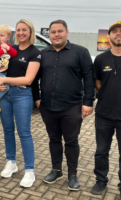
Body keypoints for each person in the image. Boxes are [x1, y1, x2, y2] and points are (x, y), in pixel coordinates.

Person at [34, 20, 95, 191]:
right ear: (49, 35)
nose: (56, 35)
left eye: (60, 31)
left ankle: (73, 174)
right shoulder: (43, 54)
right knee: (54, 140)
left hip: (72, 107)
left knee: (71, 141)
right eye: (53, 32)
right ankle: (56, 170)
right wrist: (37, 99)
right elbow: (33, 78)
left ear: (67, 32)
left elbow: (89, 79)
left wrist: (88, 102)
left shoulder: (80, 52)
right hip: (48, 106)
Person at [0, 19, 40, 188]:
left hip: (22, 94)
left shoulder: (34, 52)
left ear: (30, 32)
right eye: (18, 30)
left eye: (24, 30)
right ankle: (11, 162)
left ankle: (29, 170)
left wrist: (4, 79)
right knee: (7, 130)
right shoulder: (8, 49)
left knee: (24, 132)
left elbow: (28, 79)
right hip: (5, 94)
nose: (21, 33)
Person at [91, 20, 121, 195]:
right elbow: (97, 83)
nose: (118, 34)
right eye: (115, 31)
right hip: (104, 114)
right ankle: (101, 180)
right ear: (109, 36)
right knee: (101, 151)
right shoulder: (101, 59)